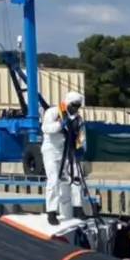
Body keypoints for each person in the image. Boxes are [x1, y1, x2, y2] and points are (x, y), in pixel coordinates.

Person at [40, 90, 87, 225]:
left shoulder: (77, 118)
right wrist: (61, 124)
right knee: (53, 180)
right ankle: (52, 212)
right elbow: (45, 129)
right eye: (73, 105)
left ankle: (78, 208)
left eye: (78, 106)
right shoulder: (53, 112)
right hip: (51, 150)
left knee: (76, 177)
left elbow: (80, 135)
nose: (75, 108)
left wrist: (80, 145)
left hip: (67, 151)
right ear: (67, 103)